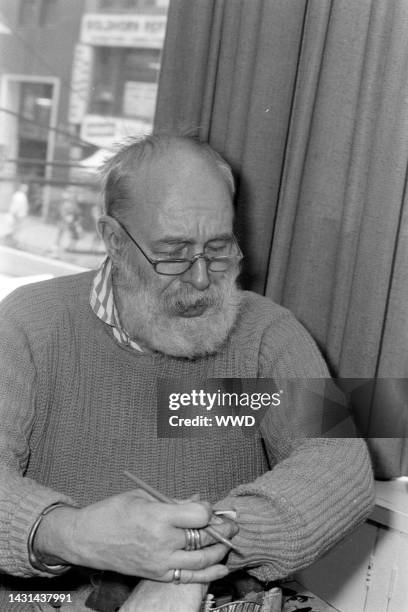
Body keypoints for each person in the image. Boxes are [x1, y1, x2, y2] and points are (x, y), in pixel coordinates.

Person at [0, 135, 375, 612]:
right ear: (114, 240)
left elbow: (338, 464)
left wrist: (193, 555)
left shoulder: (268, 334)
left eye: (218, 247)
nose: (201, 279)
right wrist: (70, 533)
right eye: (174, 252)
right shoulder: (27, 323)